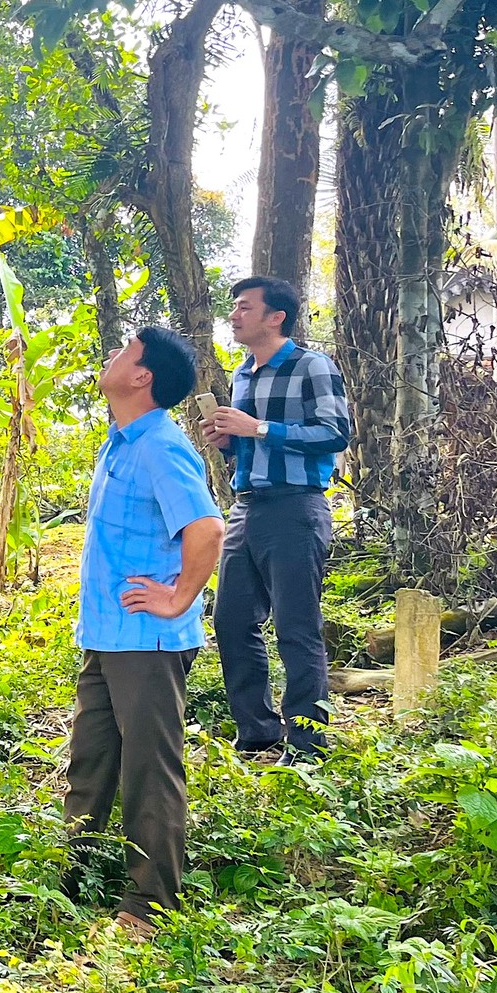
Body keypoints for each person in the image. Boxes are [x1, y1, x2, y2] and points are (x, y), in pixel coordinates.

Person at [66, 326, 225, 938]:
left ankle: (149, 903)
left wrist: (180, 596)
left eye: (124, 352)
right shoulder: (122, 441)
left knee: (149, 767)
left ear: (143, 377)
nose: (112, 356)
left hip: (147, 641)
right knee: (93, 755)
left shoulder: (160, 445)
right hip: (108, 633)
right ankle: (72, 869)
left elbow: (206, 529)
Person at [202, 276, 351, 764]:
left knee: (296, 626)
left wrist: (258, 427)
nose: (234, 315)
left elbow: (334, 433)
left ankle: (308, 745)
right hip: (247, 507)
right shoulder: (243, 373)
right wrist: (231, 440)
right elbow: (253, 443)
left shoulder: (313, 365)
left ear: (276, 316)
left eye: (244, 307)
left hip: (296, 506)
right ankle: (258, 733)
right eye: (234, 308)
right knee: (230, 621)